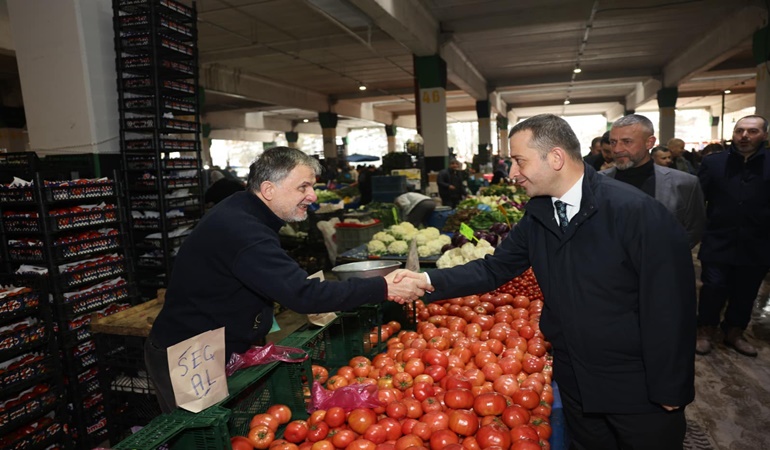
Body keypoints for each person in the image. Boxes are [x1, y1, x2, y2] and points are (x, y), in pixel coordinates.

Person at [395, 114, 696, 450]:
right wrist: (423, 279)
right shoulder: (540, 213)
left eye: (519, 161)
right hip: (574, 376)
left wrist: (671, 387)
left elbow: (672, 305)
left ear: (555, 158)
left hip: (634, 383)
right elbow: (494, 268)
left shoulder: (636, 212)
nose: (511, 174)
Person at [145, 147, 432, 413]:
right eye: (303, 187)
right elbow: (303, 295)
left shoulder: (244, 211)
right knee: (200, 436)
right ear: (268, 190)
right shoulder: (244, 231)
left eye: (312, 186)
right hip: (188, 357)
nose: (313, 196)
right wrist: (383, 286)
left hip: (217, 345)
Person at [695, 115, 770, 357]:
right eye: (740, 131)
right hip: (718, 240)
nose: (745, 136)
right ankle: (706, 329)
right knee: (713, 287)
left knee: (746, 291)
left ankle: (734, 332)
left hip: (757, 243)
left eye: (752, 131)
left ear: (764, 135)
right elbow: (698, 201)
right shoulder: (714, 163)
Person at [602, 114, 706, 249]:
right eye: (613, 142)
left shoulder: (684, 183)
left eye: (626, 142)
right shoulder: (596, 182)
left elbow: (694, 230)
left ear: (649, 143)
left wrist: (665, 259)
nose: (617, 149)